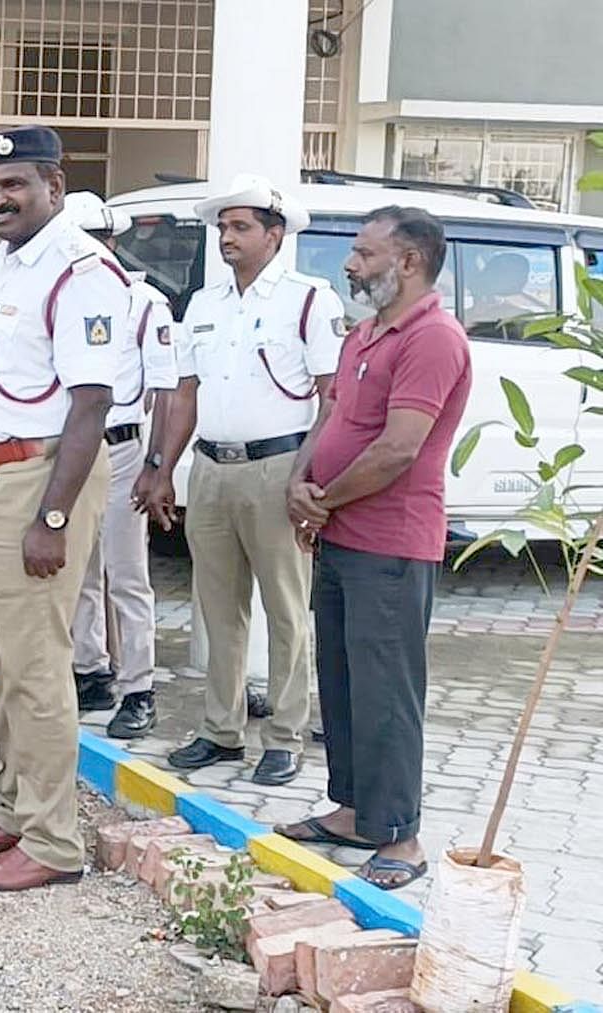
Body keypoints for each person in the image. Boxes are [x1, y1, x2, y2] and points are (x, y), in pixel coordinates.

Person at [0, 127, 126, 891]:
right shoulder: (9, 265)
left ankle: (53, 840)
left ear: (54, 182)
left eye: (15, 184)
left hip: (38, 482)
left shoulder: (81, 271)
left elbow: (91, 402)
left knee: (39, 667)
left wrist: (51, 517)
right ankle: (14, 809)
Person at [277, 207, 470, 891]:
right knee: (344, 680)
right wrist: (301, 479)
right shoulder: (365, 332)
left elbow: (398, 448)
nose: (351, 264)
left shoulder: (434, 339)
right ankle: (355, 810)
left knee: (387, 689)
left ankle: (402, 835)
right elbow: (330, 419)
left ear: (409, 261)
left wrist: (322, 496)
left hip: (391, 544)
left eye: (363, 252)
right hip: (340, 535)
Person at [137, 173, 346, 787]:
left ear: (275, 235)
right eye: (222, 227)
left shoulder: (309, 299)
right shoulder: (204, 303)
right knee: (217, 608)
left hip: (279, 466)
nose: (226, 237)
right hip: (211, 467)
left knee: (285, 609)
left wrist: (306, 477)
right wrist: (163, 469)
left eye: (240, 227)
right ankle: (219, 731)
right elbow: (184, 393)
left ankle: (283, 736)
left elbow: (333, 400)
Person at [62, 193, 179, 739]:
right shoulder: (60, 296)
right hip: (70, 448)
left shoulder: (145, 302)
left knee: (126, 574)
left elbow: (166, 388)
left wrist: (157, 464)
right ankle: (90, 670)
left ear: (111, 242)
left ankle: (139, 687)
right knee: (77, 568)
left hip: (122, 445)